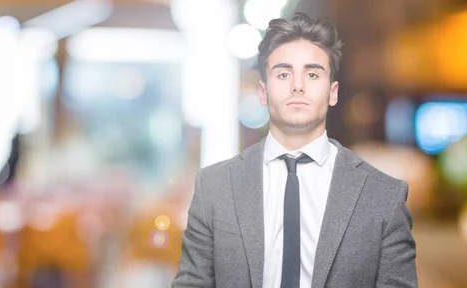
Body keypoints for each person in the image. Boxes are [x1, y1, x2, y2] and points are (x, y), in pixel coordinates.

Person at [172, 12, 417, 288]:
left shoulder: (383, 195)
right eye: (284, 73)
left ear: (333, 92)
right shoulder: (214, 187)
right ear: (263, 92)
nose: (298, 85)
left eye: (312, 74)